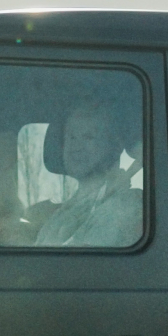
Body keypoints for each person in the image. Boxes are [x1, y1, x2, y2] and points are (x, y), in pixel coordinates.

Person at [35, 102, 143, 247]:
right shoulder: (64, 211)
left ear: (114, 146)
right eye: (72, 137)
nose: (76, 147)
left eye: (89, 137)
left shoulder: (121, 206)